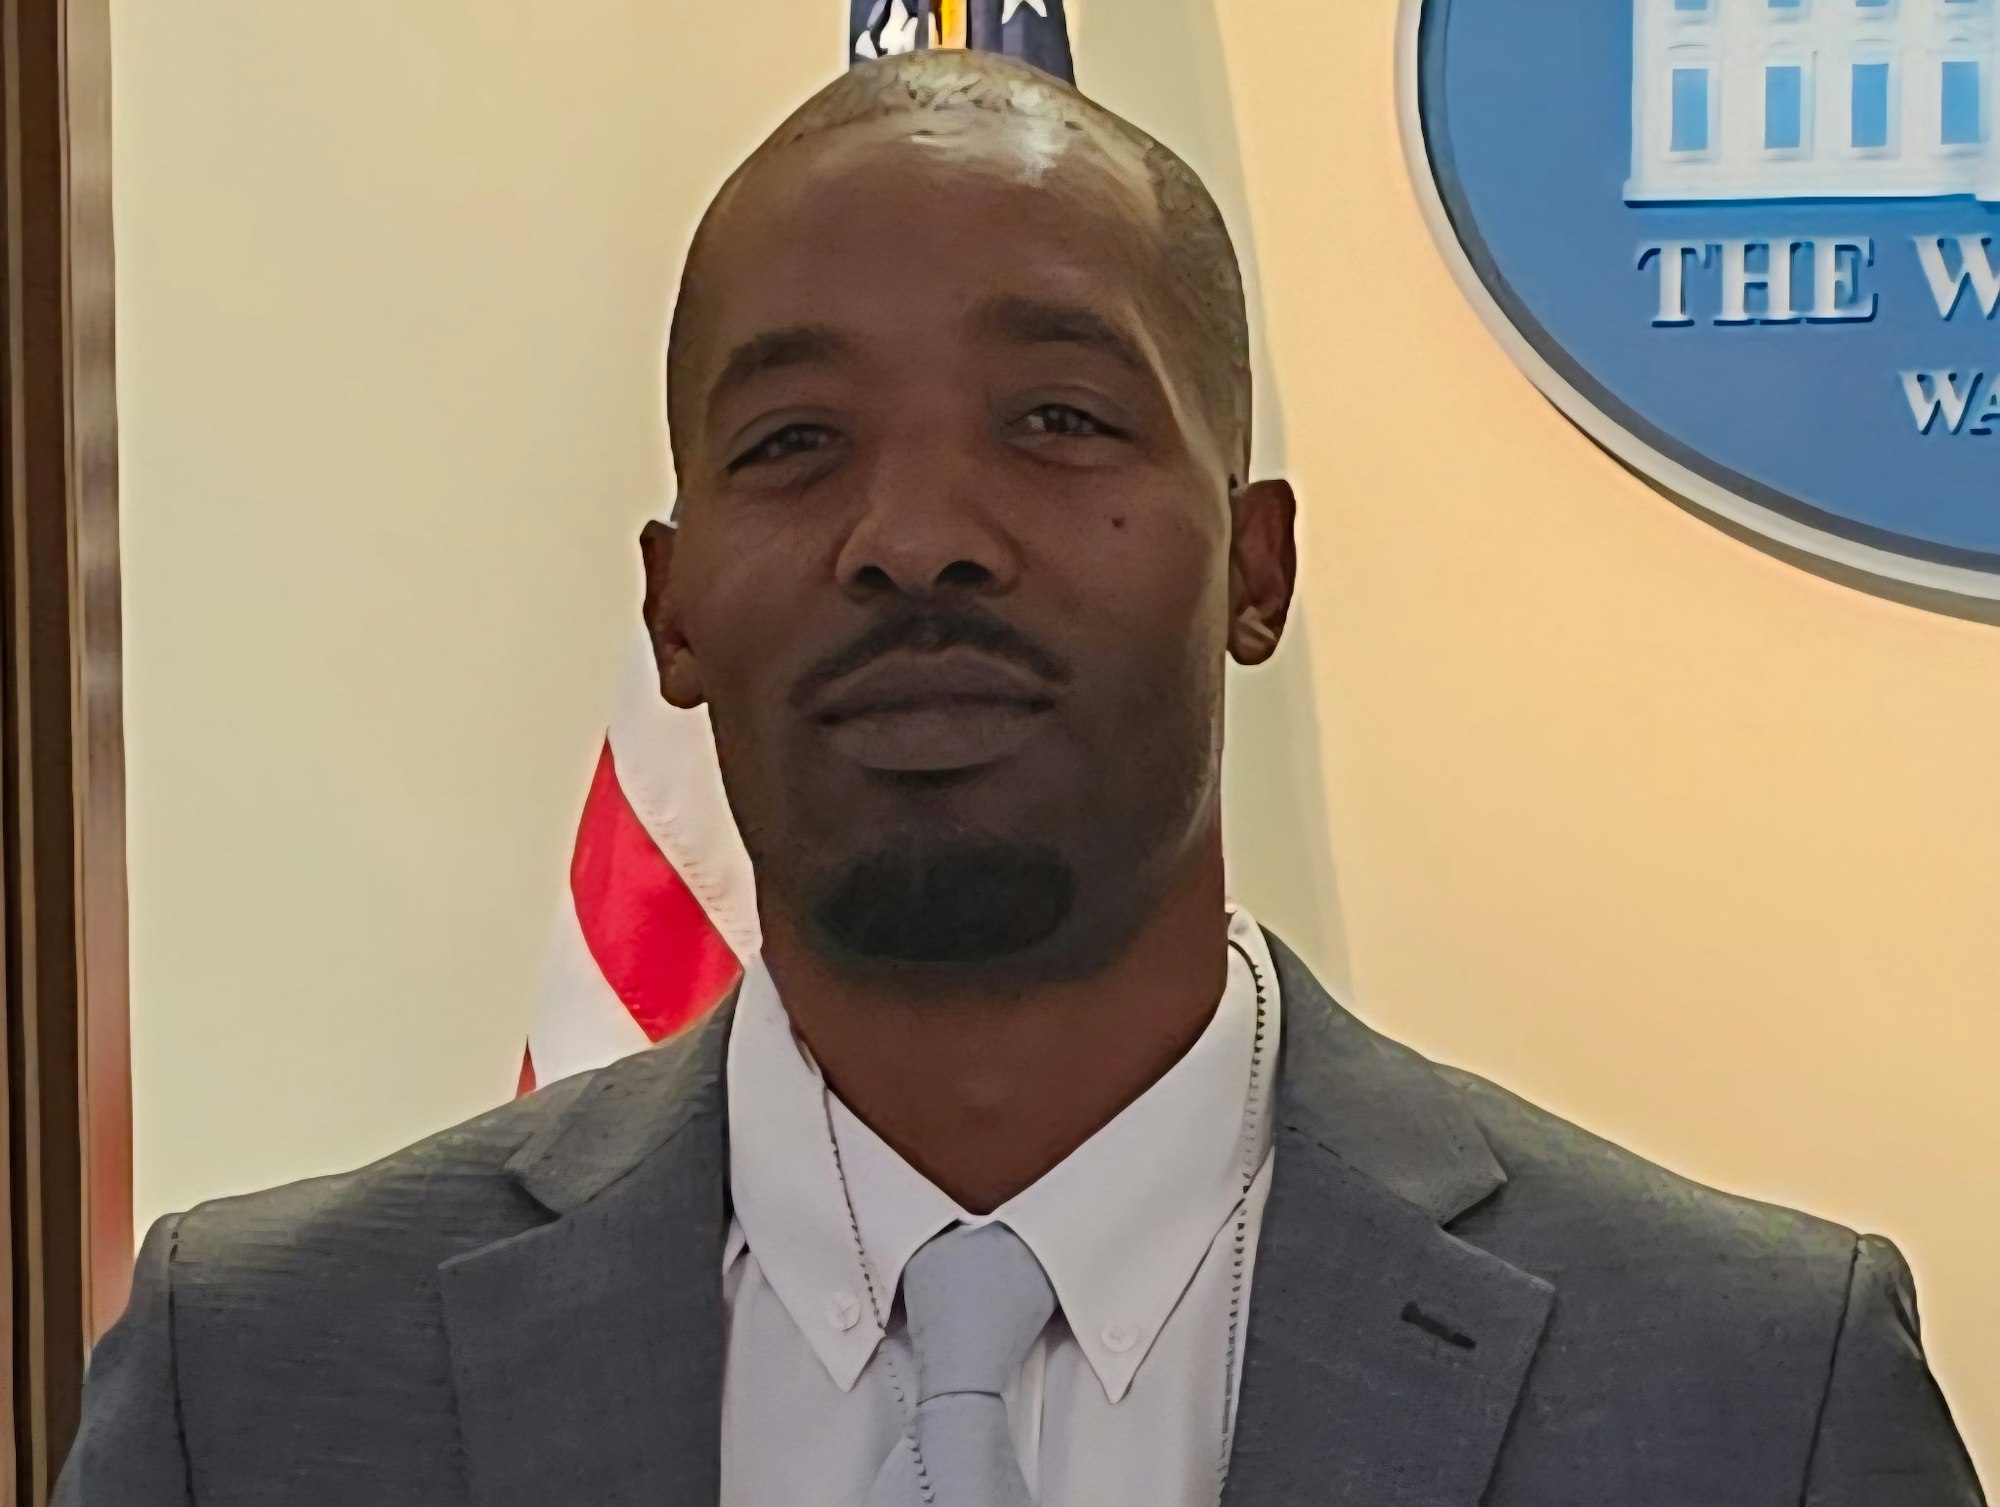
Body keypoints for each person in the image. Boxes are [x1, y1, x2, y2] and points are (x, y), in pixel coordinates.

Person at [58, 49, 1983, 1507]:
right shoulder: (266, 1380)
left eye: (1057, 418)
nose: (916, 536)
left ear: (1257, 567)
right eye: (795, 440)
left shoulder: (1748, 1396)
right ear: (671, 607)